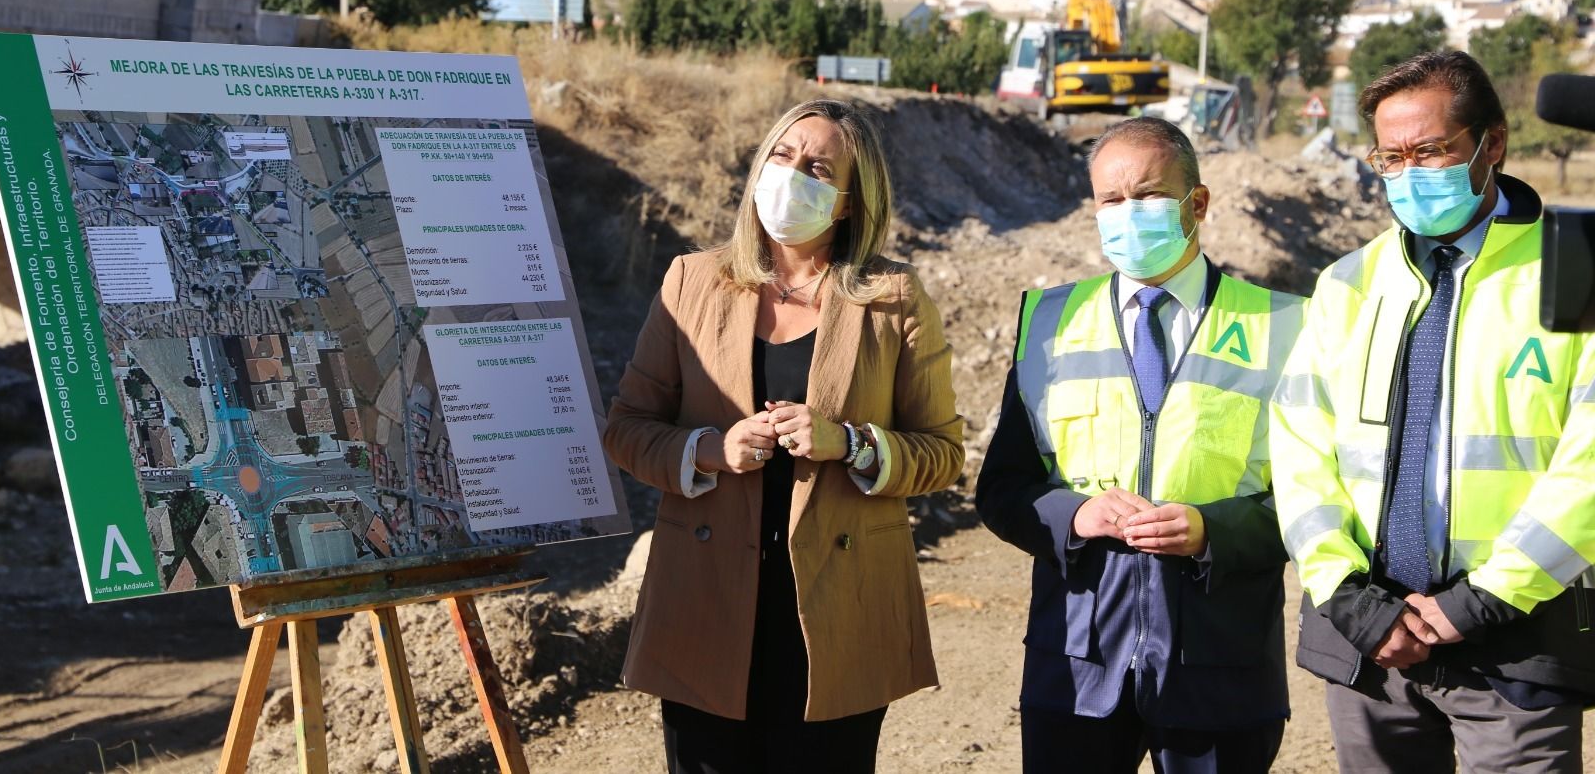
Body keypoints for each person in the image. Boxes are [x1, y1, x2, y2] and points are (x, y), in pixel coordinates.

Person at [602, 98, 964, 774]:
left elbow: (942, 451)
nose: (792, 174)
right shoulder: (691, 281)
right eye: (783, 155)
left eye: (819, 168)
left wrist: (852, 443)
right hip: (706, 603)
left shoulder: (893, 298)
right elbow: (626, 429)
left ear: (850, 203)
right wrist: (711, 449)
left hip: (838, 609)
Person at [1270, 49, 1595, 773]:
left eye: (1431, 150)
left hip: (1517, 641)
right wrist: (1348, 598)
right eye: (1391, 157)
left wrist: (1483, 601)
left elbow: (1590, 467)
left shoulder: (1573, 273)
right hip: (1372, 645)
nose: (1410, 173)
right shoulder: (1347, 285)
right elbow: (1298, 452)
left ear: (1493, 144)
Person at [976, 116, 1304, 773]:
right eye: (1111, 200)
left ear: (1198, 204)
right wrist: (1074, 516)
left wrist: (1213, 530)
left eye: (1150, 195)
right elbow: (1003, 490)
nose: (1129, 213)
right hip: (1076, 668)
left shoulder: (1285, 326)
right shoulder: (1048, 322)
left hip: (1220, 667)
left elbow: (1318, 504)